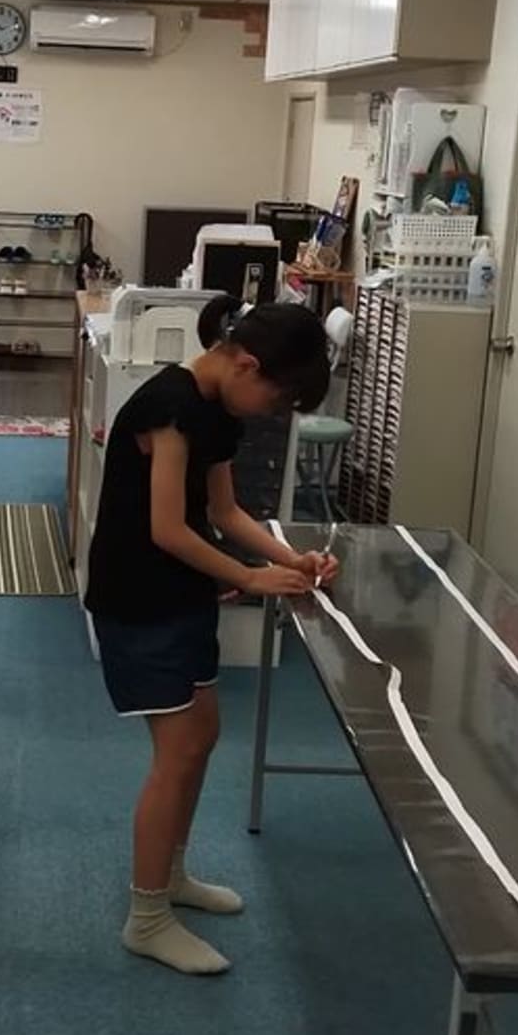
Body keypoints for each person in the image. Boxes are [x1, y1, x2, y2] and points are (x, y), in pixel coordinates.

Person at [85, 296, 335, 976]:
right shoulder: (168, 407)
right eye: (276, 399)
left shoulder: (219, 409)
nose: (271, 413)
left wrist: (291, 559)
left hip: (181, 594)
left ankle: (170, 877)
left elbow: (225, 512)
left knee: (201, 736)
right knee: (177, 752)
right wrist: (249, 578)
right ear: (246, 364)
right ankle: (146, 919)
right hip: (138, 599)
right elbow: (167, 529)